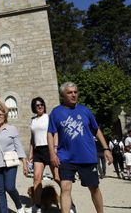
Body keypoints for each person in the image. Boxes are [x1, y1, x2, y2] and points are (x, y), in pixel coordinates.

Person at [47, 82, 113, 213]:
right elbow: (50, 133)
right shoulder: (56, 112)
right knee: (65, 187)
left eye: (75, 92)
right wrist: (52, 154)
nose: (73, 95)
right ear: (63, 95)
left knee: (93, 188)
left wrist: (106, 149)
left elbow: (96, 130)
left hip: (87, 156)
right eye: (69, 92)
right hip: (65, 157)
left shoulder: (85, 110)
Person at [28, 97, 61, 213]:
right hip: (38, 151)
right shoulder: (33, 120)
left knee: (57, 177)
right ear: (34, 107)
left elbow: (55, 132)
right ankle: (38, 205)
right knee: (36, 178)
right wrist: (31, 152)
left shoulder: (49, 117)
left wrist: (55, 148)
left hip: (50, 149)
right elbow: (32, 138)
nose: (40, 106)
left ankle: (69, 203)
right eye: (37, 105)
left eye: (41, 104)